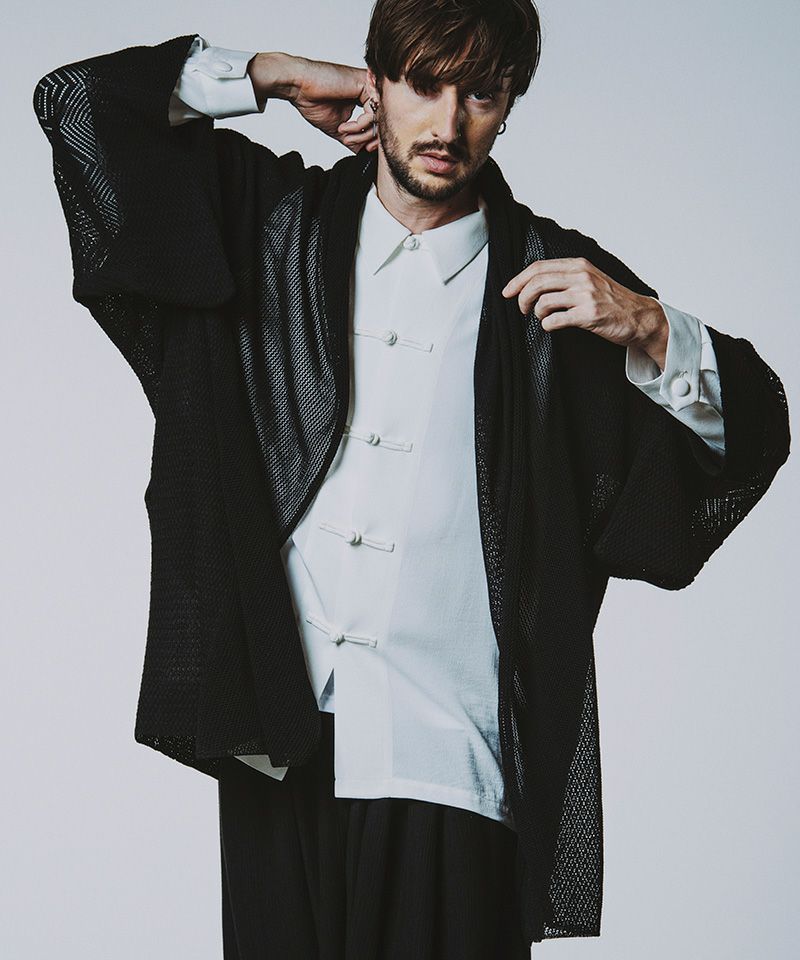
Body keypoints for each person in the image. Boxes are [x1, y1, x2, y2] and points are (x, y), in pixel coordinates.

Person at [33, 1, 789, 956]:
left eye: (481, 95)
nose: (446, 124)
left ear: (509, 105)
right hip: (280, 744)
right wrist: (271, 75)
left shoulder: (555, 287)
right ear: (378, 82)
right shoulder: (272, 228)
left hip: (451, 762)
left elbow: (750, 437)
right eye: (423, 85)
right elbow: (80, 106)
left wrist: (650, 326)